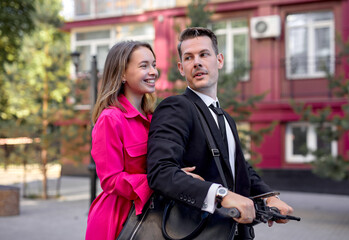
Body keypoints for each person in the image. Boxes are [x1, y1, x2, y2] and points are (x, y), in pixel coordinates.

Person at [146, 27, 294, 239]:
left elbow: (238, 168)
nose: (197, 62)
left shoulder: (226, 118)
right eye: (189, 57)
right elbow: (161, 172)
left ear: (219, 60)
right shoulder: (176, 107)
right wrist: (221, 194)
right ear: (181, 68)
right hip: (195, 232)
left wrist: (269, 197)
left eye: (204, 54)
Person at [85, 41, 158, 240]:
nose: (153, 71)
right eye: (144, 66)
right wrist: (159, 181)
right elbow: (110, 180)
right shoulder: (110, 119)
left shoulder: (153, 118)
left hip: (153, 215)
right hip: (117, 220)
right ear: (122, 74)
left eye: (154, 64)